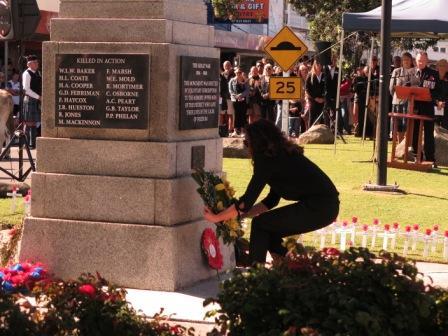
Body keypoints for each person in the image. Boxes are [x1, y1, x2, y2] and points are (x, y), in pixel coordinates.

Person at [203, 119, 340, 264]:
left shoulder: (267, 160)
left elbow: (246, 202)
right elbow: (271, 200)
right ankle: (294, 269)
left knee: (260, 224)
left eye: (247, 143)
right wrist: (241, 215)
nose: (246, 147)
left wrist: (217, 218)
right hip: (326, 206)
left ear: (257, 143)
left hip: (320, 207)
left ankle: (257, 274)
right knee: (269, 232)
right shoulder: (279, 155)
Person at [412, 52, 438, 167]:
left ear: (427, 61)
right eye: (418, 60)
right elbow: (406, 88)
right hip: (415, 108)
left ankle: (430, 159)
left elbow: (438, 91)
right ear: (415, 61)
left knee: (428, 134)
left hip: (428, 108)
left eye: (423, 60)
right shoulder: (411, 73)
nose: (420, 62)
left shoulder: (434, 74)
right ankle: (417, 157)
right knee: (415, 133)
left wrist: (435, 99)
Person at [389, 52, 416, 142]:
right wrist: (397, 96)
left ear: (411, 61)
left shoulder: (416, 71)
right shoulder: (396, 71)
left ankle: (408, 146)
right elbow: (391, 88)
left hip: (410, 103)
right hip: (398, 102)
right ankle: (399, 145)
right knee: (398, 126)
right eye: (404, 59)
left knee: (408, 125)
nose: (406, 61)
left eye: (408, 59)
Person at [22, 55, 42, 148]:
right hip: (30, 98)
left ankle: (32, 143)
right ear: (29, 64)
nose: (37, 64)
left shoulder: (38, 72)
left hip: (37, 99)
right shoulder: (26, 73)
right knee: (28, 122)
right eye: (35, 62)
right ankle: (26, 143)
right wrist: (38, 97)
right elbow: (26, 89)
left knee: (34, 122)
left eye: (37, 62)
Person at [228, 67, 249, 136]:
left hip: (243, 100)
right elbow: (230, 90)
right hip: (235, 100)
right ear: (235, 73)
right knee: (235, 115)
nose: (238, 74)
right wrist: (236, 96)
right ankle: (235, 131)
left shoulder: (245, 81)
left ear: (241, 73)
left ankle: (243, 131)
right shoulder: (232, 80)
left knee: (243, 115)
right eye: (237, 73)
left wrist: (241, 95)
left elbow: (247, 90)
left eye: (239, 72)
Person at [305, 59, 326, 127]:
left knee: (321, 117)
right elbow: (307, 88)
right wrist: (315, 98)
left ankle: (322, 134)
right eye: (318, 65)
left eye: (320, 65)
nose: (319, 66)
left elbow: (326, 87)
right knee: (312, 117)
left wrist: (323, 98)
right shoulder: (310, 75)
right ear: (315, 65)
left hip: (322, 100)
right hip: (313, 100)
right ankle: (309, 133)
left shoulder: (324, 75)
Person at [219, 61, 235, 136]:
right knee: (221, 113)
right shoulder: (220, 75)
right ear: (223, 66)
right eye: (225, 65)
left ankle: (230, 129)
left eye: (228, 65)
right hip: (221, 97)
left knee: (230, 113)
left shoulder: (233, 74)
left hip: (229, 97)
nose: (227, 67)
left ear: (231, 65)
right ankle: (221, 128)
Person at [435, 59, 448, 130]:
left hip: (446, 107)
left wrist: (444, 103)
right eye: (440, 65)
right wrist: (437, 102)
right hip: (435, 106)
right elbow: (430, 92)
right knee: (434, 129)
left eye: (444, 66)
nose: (442, 67)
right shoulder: (432, 77)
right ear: (437, 67)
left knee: (445, 130)